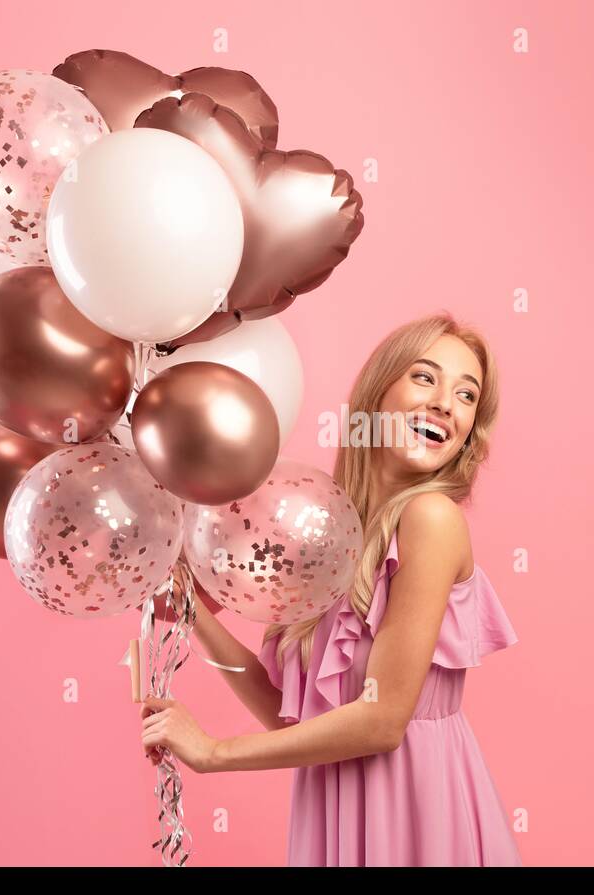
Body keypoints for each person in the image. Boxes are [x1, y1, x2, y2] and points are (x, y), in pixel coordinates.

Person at [139, 311, 522, 866]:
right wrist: (196, 617)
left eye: (467, 395)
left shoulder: (431, 519)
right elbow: (291, 716)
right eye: (424, 377)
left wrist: (214, 752)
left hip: (416, 813)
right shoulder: (332, 530)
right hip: (334, 808)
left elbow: (384, 720)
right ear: (377, 394)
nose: (445, 402)